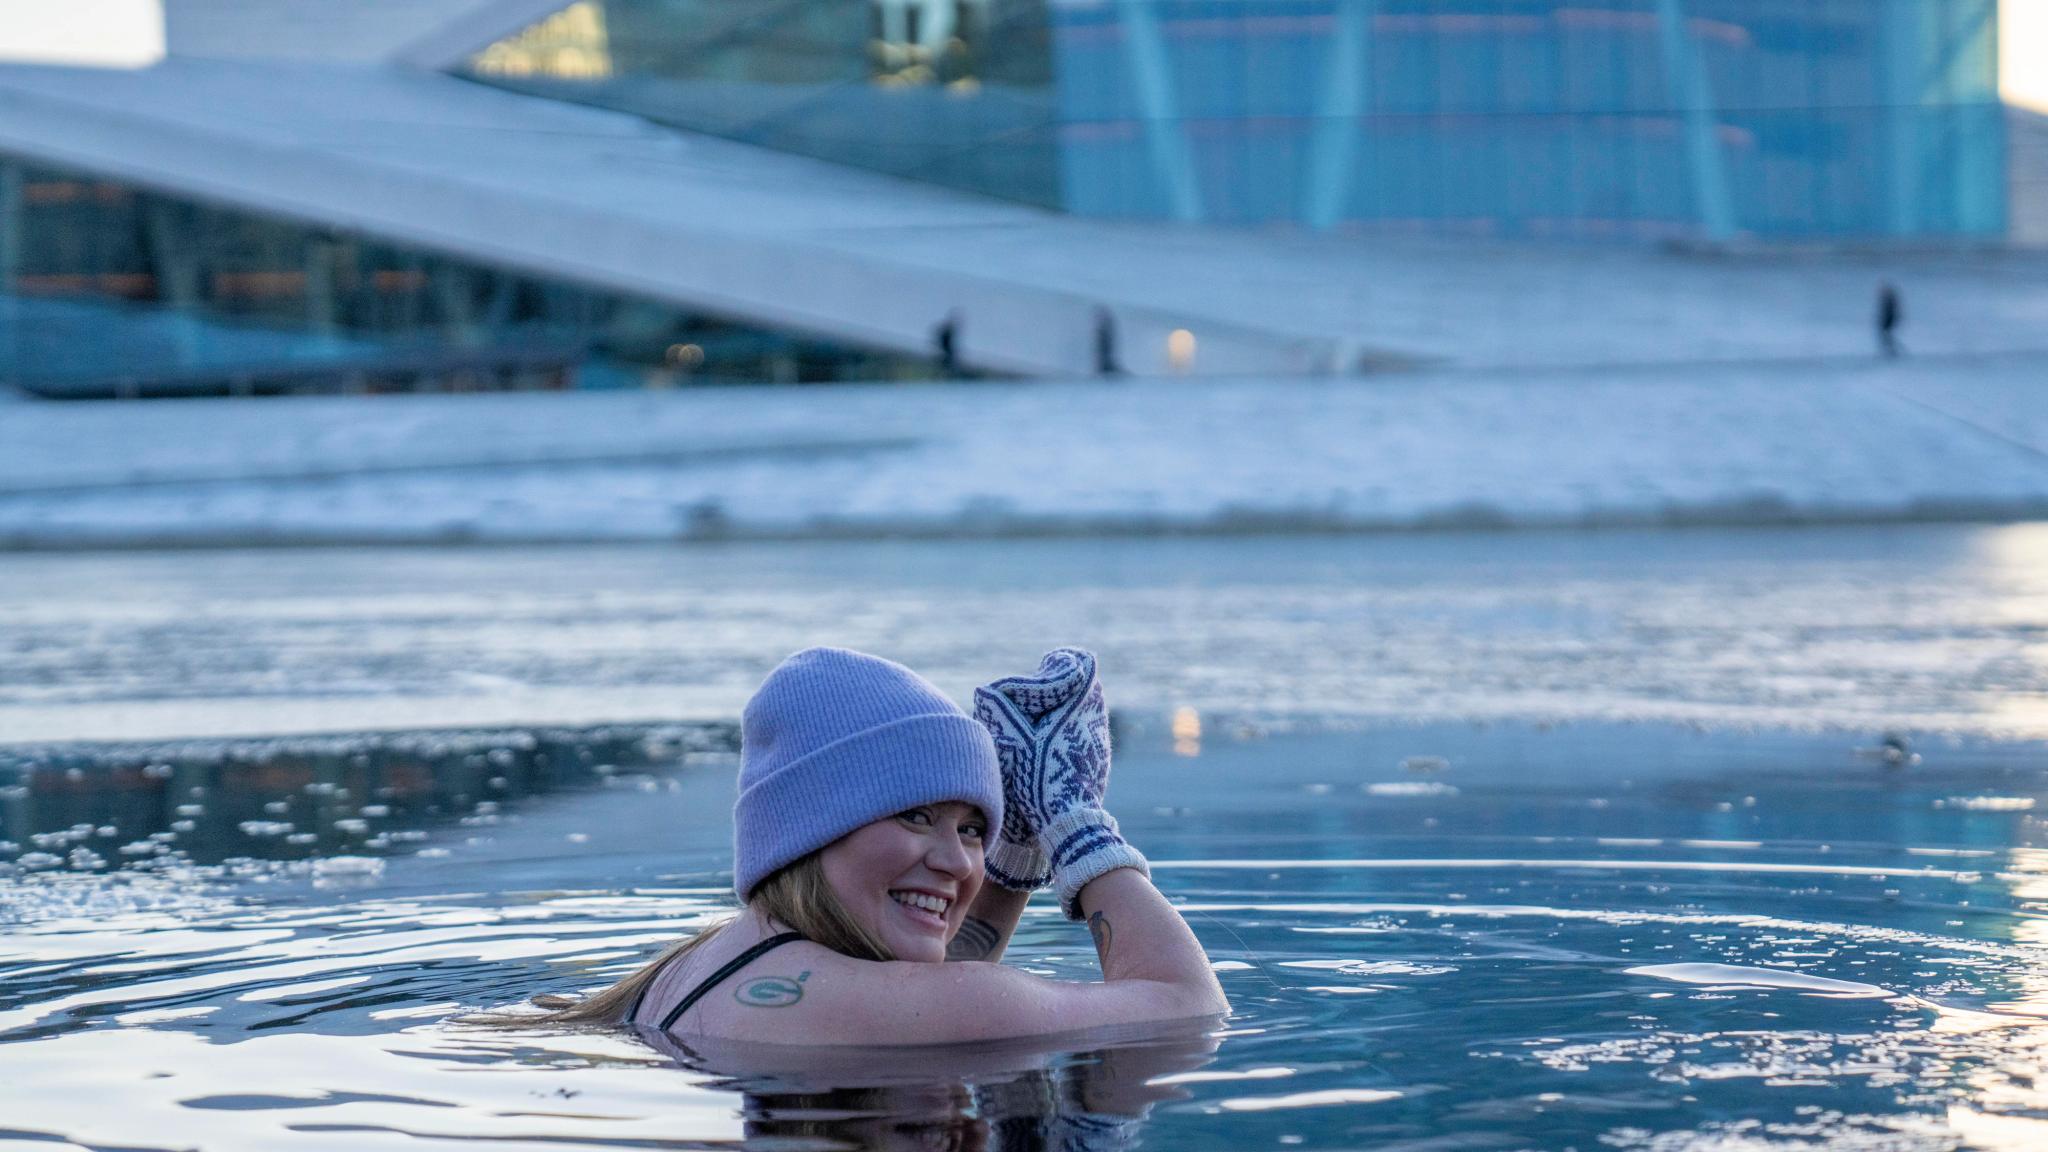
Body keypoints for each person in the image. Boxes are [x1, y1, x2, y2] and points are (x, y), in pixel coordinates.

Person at [513, 646, 1227, 1046]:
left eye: (972, 828)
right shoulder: (886, 1005)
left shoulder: (707, 961)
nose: (957, 864)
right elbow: (1187, 1008)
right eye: (915, 816)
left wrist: (1015, 856)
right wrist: (1074, 819)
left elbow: (926, 983)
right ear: (813, 827)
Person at [1876, 281, 1902, 358]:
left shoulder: (1889, 299)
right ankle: (1892, 351)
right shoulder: (1890, 300)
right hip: (1888, 320)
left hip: (1888, 320)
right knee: (1887, 336)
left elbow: (1887, 312)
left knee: (1886, 336)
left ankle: (1893, 351)